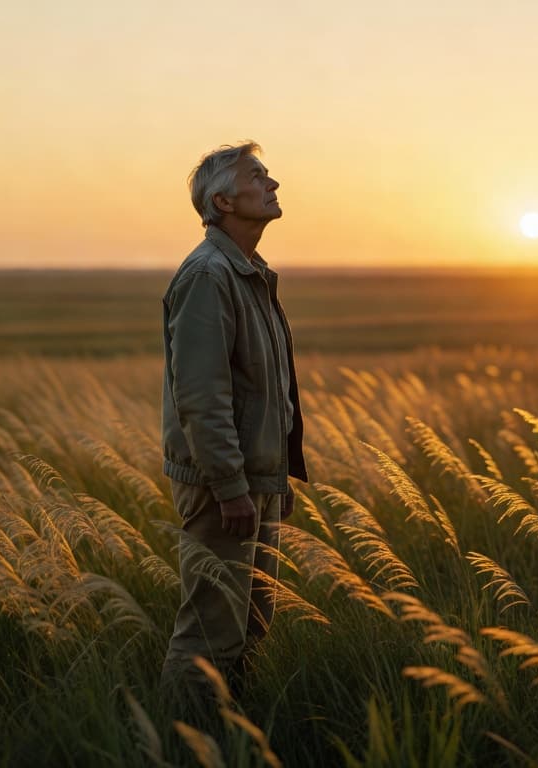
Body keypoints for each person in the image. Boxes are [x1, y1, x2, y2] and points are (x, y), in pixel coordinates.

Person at [160, 142, 307, 694]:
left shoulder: (247, 272)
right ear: (222, 201)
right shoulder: (208, 275)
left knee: (251, 627)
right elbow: (202, 395)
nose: (273, 183)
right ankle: (179, 733)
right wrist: (229, 487)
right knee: (210, 634)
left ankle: (228, 729)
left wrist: (274, 478)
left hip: (252, 480)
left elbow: (265, 389)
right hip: (224, 484)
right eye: (257, 175)